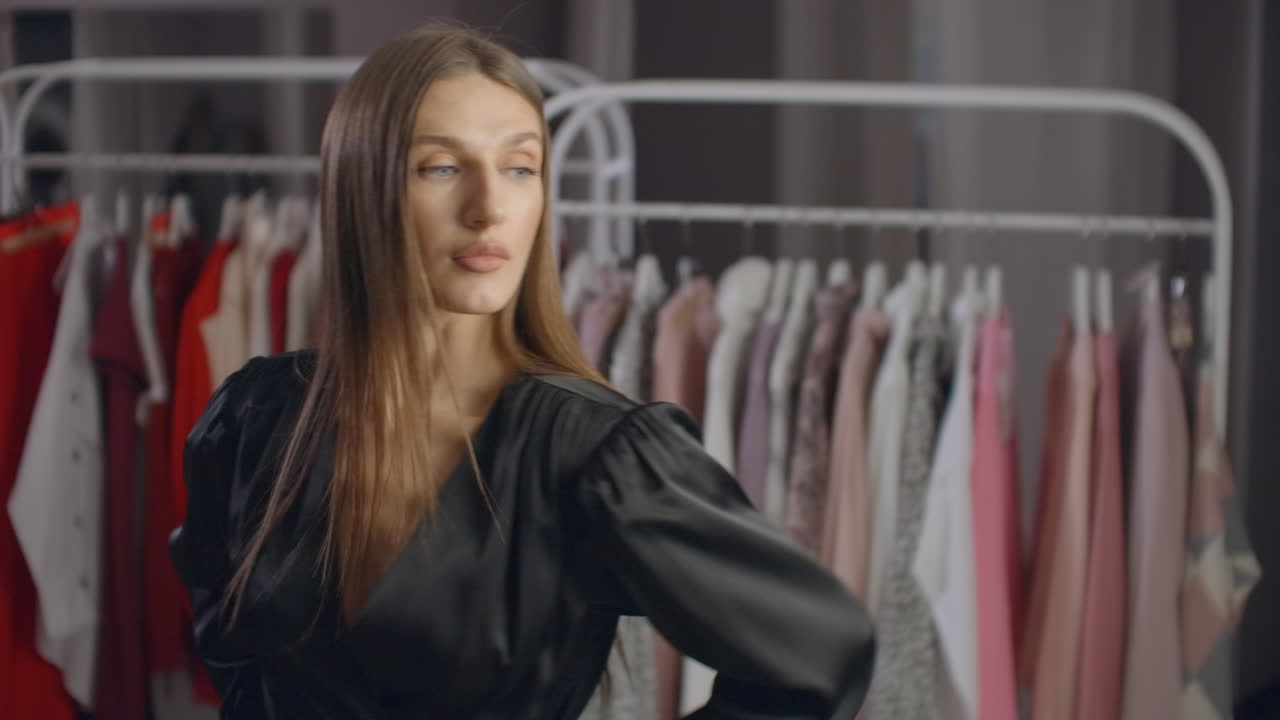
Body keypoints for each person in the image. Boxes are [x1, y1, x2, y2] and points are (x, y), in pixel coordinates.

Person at [169, 25, 875, 720]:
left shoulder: (596, 455)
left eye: (519, 167)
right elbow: (226, 644)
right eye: (441, 168)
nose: (488, 209)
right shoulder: (255, 418)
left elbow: (819, 657)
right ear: (364, 188)